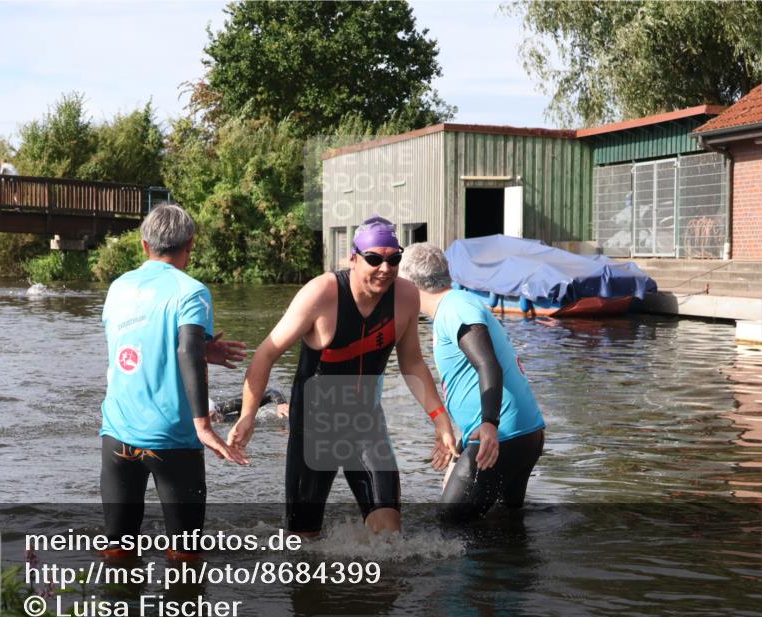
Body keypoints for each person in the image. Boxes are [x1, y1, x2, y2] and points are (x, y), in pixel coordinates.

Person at [227, 217, 457, 536]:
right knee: (304, 542)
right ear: (353, 259)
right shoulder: (322, 293)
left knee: (389, 533)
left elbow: (413, 365)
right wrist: (247, 416)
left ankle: (373, 586)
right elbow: (266, 353)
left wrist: (441, 420)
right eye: (374, 259)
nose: (385, 268)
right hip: (314, 428)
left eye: (394, 259)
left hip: (366, 423)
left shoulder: (405, 295)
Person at [100, 204, 249, 559]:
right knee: (185, 555)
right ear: (190, 245)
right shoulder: (192, 291)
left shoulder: (118, 288)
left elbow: (133, 344)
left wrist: (201, 351)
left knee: (117, 548)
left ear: (144, 246)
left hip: (117, 435)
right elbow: (185, 350)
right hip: (173, 440)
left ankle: (118, 612)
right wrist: (203, 426)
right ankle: (181, 615)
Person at [398, 243, 546, 523]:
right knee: (504, 528)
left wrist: (490, 423)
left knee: (448, 529)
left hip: (500, 436)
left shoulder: (455, 308)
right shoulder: (457, 304)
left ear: (408, 284)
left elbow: (487, 363)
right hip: (519, 434)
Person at [209, 386, 289, 423]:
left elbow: (271, 392)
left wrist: (281, 403)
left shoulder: (226, 407)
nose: (216, 419)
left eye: (213, 415)